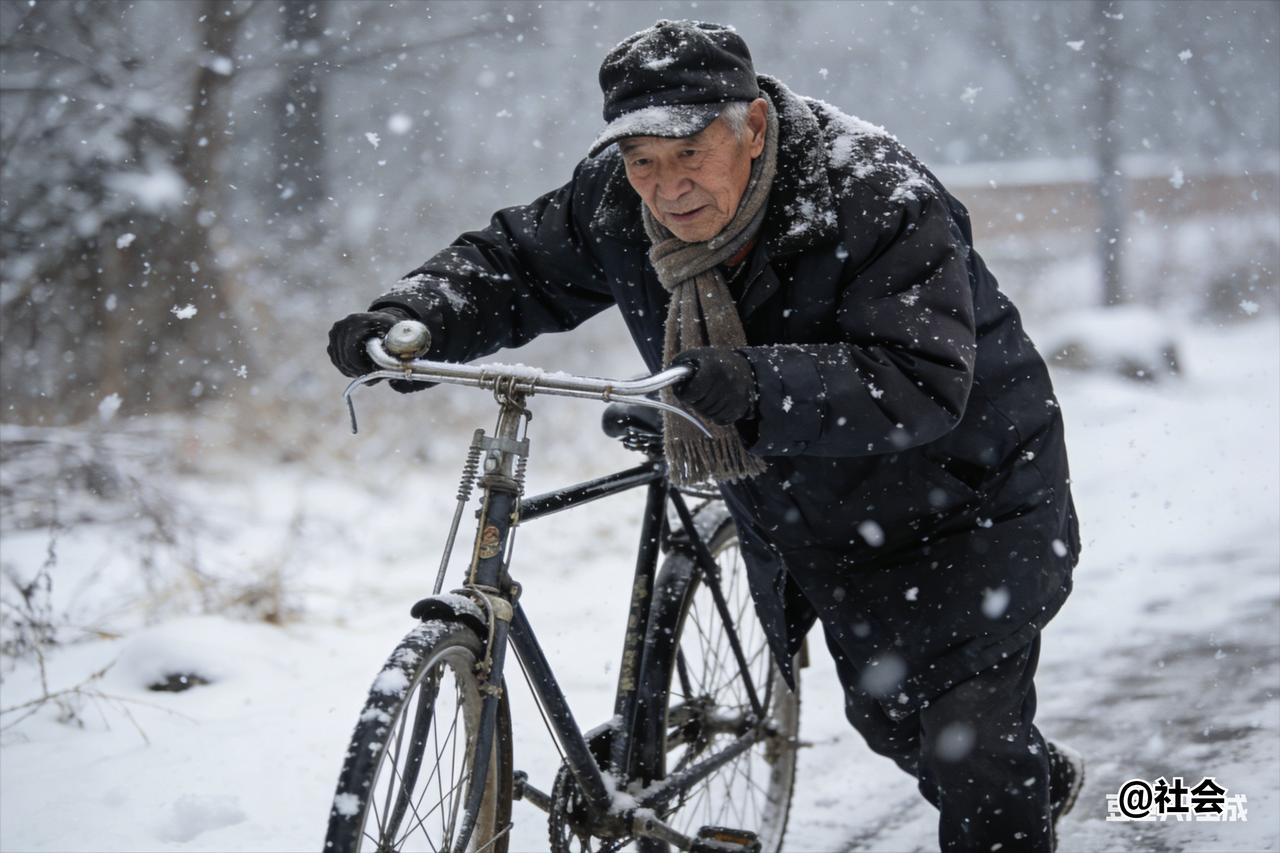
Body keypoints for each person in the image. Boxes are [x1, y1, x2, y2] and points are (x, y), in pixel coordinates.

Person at [328, 20, 1084, 853]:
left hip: (967, 495)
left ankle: (1011, 788)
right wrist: (415, 314)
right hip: (809, 501)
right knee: (896, 720)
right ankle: (1030, 780)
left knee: (968, 740)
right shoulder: (616, 200)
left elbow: (921, 375)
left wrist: (761, 380)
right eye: (642, 160)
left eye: (689, 153)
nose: (666, 185)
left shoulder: (871, 191)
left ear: (753, 127)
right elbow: (519, 265)